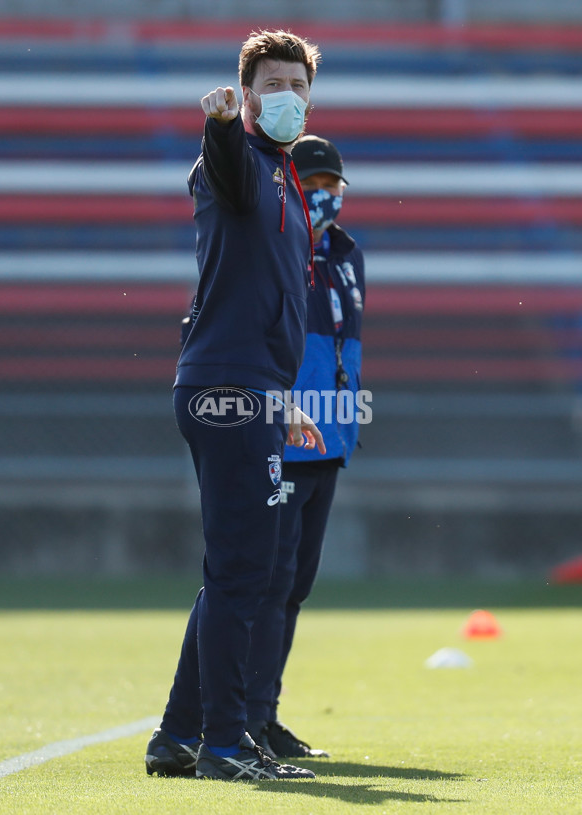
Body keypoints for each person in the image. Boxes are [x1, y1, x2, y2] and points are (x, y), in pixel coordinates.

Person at [144, 30, 326, 782]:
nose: (286, 96)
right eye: (271, 84)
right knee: (245, 571)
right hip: (228, 385)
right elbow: (228, 175)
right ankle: (224, 742)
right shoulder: (239, 161)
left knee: (235, 569)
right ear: (245, 90)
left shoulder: (284, 173)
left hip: (249, 387)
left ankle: (180, 735)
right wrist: (220, 128)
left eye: (297, 85)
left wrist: (280, 396)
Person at [244, 135, 366, 758]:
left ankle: (265, 715)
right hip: (283, 436)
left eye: (330, 186)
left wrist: (345, 424)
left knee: (295, 585)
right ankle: (243, 717)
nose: (322, 196)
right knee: (270, 578)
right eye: (309, 185)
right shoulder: (278, 247)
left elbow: (345, 348)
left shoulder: (348, 256)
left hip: (329, 438)